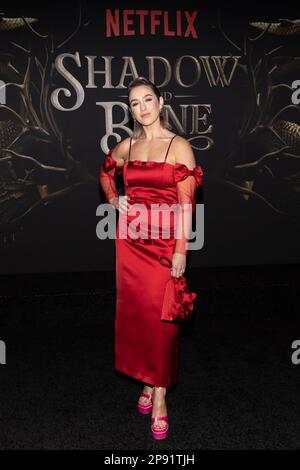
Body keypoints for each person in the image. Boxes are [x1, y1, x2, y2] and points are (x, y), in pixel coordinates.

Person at [99, 77, 203, 440]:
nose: (142, 108)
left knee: (163, 320)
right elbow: (105, 171)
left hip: (163, 244)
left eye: (147, 100)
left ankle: (159, 394)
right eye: (134, 103)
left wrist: (180, 251)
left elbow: (187, 206)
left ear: (160, 102)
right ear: (130, 110)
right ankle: (146, 380)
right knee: (139, 316)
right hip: (130, 241)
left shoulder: (179, 147)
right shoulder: (128, 145)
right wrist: (114, 199)